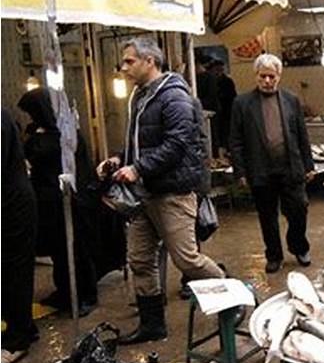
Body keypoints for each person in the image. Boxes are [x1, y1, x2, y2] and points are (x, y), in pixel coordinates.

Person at [96, 37, 226, 345]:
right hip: (145, 194)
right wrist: (119, 158)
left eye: (129, 61)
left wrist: (138, 168)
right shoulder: (140, 96)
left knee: (188, 260)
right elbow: (140, 141)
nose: (123, 67)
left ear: (150, 61)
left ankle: (232, 298)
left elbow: (178, 143)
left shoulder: (174, 96)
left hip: (172, 192)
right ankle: (153, 324)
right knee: (140, 259)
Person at [229, 53, 315, 273]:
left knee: (299, 210)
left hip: (290, 167)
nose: (267, 81)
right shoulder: (242, 103)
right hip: (260, 170)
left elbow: (302, 135)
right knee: (267, 217)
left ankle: (298, 246)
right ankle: (274, 255)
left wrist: (309, 165)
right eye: (262, 76)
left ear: (279, 76)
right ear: (256, 76)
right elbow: (236, 140)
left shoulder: (291, 100)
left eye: (271, 76)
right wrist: (240, 172)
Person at [18, 89, 99, 316]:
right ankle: (64, 291)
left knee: (76, 249)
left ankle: (86, 294)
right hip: (47, 199)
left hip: (69, 198)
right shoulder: (41, 131)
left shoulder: (66, 133)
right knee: (58, 250)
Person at [2, 108, 38, 363]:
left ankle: (17, 340)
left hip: (12, 206)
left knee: (14, 273)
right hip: (11, 202)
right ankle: (24, 326)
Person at [209, 58, 237, 153]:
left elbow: (233, 96)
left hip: (226, 112)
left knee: (226, 134)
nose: (218, 72)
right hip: (218, 112)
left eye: (220, 69)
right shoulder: (212, 81)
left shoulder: (227, 81)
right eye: (216, 69)